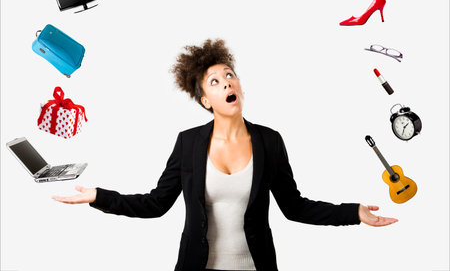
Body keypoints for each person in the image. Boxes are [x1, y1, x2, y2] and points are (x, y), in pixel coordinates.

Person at [53, 39, 398, 271]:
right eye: (214, 82)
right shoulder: (187, 143)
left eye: (229, 76)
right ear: (205, 100)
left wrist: (354, 213)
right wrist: (99, 196)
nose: (227, 83)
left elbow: (295, 207)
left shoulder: (270, 141)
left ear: (241, 86)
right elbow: (155, 204)